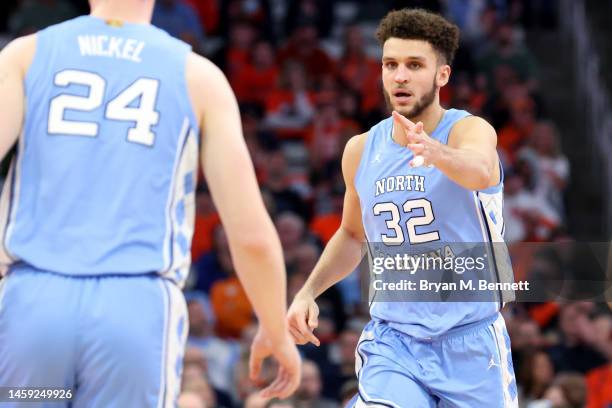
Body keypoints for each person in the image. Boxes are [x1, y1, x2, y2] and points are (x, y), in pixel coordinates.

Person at [0, 0, 300, 406]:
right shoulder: (198, 76)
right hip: (135, 311)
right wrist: (273, 326)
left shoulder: (26, 54)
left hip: (35, 303)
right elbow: (250, 237)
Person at [287, 8, 518, 407]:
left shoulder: (468, 130)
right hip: (395, 342)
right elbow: (352, 234)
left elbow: (481, 171)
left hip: (471, 340)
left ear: (442, 75)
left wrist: (436, 152)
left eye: (414, 65)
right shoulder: (360, 150)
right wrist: (309, 291)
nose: (400, 76)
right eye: (390, 64)